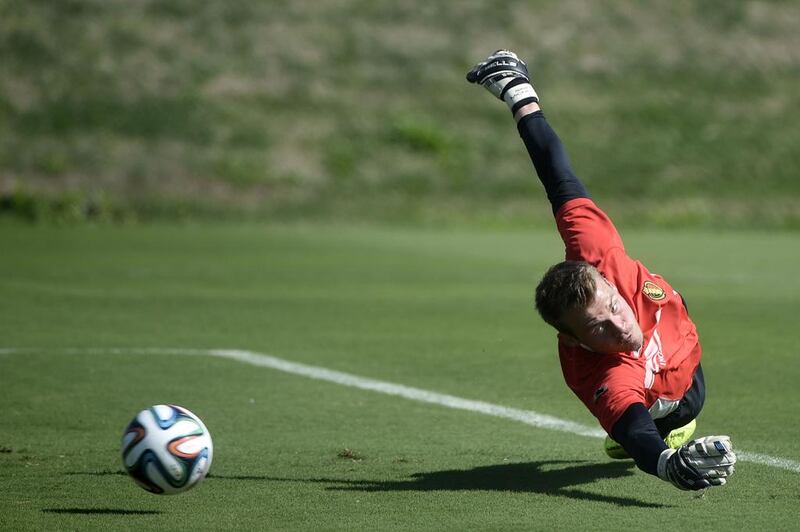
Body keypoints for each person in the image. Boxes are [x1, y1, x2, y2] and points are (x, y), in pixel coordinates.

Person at [466, 50, 736, 491]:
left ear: (606, 279)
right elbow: (633, 426)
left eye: (612, 305)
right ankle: (671, 426)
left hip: (676, 329)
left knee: (662, 309)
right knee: (647, 426)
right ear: (574, 340)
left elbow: (557, 174)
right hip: (669, 396)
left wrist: (519, 95)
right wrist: (666, 462)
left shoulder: (597, 250)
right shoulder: (601, 375)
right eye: (598, 328)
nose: (620, 326)